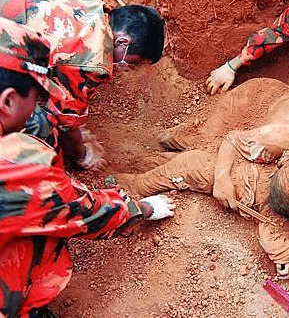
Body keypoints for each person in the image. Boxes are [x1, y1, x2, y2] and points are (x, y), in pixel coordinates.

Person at [0, 17, 174, 318]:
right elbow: (84, 212)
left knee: (41, 125)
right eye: (38, 96)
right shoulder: (17, 168)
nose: (39, 105)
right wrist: (142, 208)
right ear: (8, 101)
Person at [118, 78, 289, 285]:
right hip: (257, 102)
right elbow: (232, 139)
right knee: (195, 140)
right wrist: (222, 180)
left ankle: (146, 169)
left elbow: (280, 234)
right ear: (280, 163)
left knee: (192, 165)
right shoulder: (272, 142)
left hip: (277, 140)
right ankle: (151, 144)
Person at [0, 0, 166, 169]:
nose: (129, 68)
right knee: (40, 125)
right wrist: (83, 154)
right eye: (135, 62)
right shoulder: (92, 59)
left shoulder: (93, 10)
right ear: (122, 42)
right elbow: (65, 122)